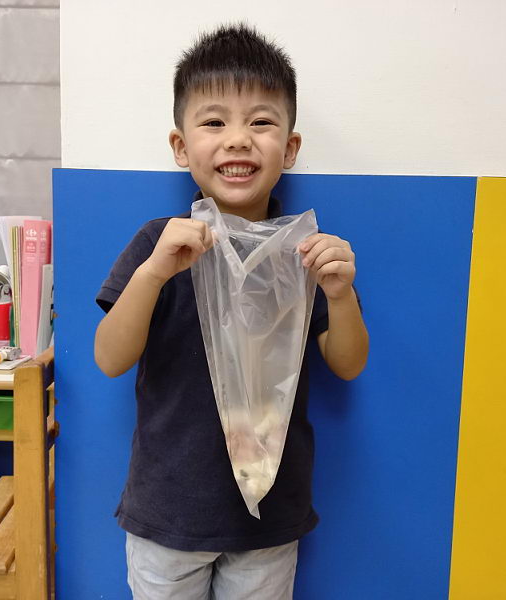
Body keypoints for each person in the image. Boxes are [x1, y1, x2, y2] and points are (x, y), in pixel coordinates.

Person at [94, 23, 369, 600]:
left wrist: (341, 294)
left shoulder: (305, 253)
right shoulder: (159, 243)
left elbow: (347, 364)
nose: (238, 140)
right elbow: (110, 358)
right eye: (214, 122)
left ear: (290, 148)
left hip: (270, 517)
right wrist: (153, 273)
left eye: (261, 122)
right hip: (169, 512)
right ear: (180, 146)